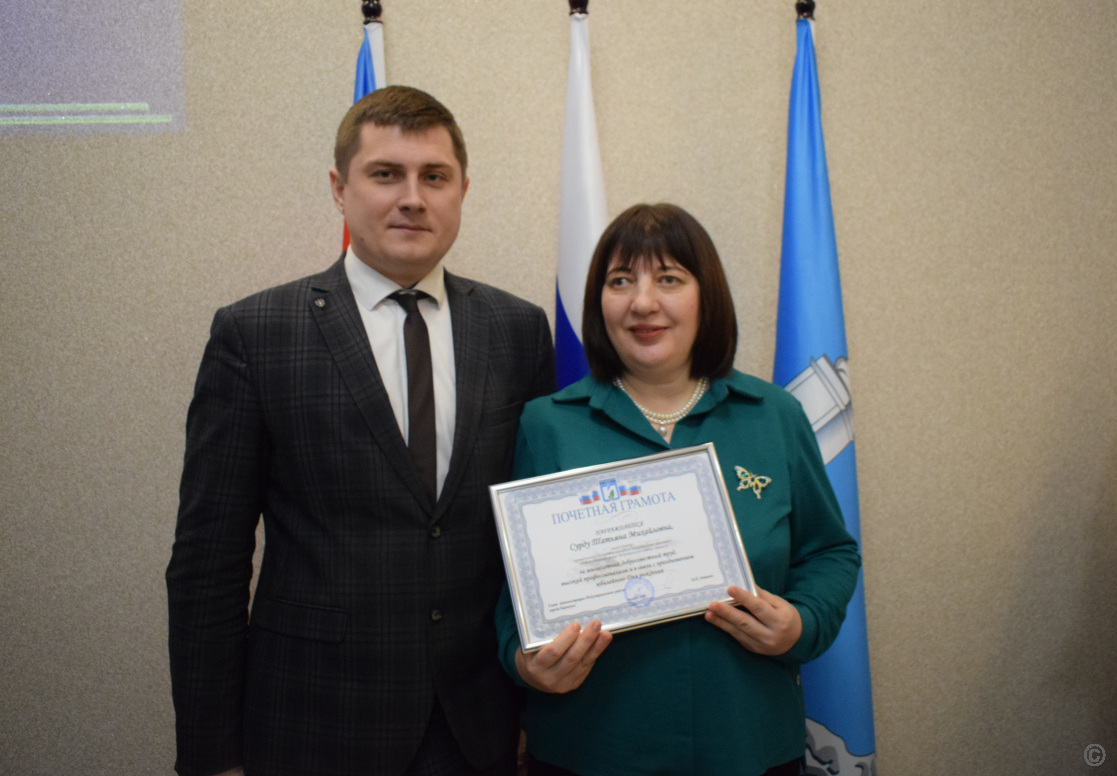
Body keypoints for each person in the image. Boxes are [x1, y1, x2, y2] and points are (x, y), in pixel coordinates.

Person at [167, 85, 556, 776]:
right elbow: (208, 561)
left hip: (479, 726)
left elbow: (535, 536)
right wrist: (211, 754)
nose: (412, 198)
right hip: (313, 722)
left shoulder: (518, 329)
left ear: (462, 191)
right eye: (385, 174)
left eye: (434, 176)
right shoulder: (256, 334)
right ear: (339, 189)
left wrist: (538, 714)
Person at [495, 203, 861, 776]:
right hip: (591, 746)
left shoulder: (774, 416)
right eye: (621, 281)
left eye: (668, 279)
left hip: (746, 741)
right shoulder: (547, 425)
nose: (643, 303)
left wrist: (803, 621)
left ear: (705, 296)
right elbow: (509, 584)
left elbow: (829, 550)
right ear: (598, 301)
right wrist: (523, 661)